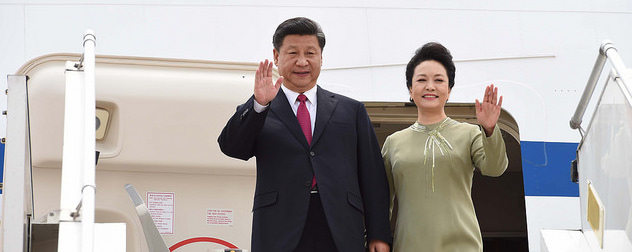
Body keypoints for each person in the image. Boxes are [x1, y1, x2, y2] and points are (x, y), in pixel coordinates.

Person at [218, 17, 391, 252]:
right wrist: (259, 103)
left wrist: (379, 234)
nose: (302, 61)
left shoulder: (352, 110)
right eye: (292, 53)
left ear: (321, 57)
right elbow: (232, 148)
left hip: (340, 228)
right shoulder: (262, 108)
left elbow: (372, 176)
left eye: (310, 53)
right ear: (277, 56)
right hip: (279, 229)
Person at [381, 42, 508, 252]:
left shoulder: (470, 133)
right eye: (421, 80)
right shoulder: (393, 142)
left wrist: (489, 129)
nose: (430, 86)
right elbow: (383, 201)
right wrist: (379, 238)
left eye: (439, 80)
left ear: (449, 91)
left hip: (462, 246)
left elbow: (495, 168)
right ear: (410, 90)